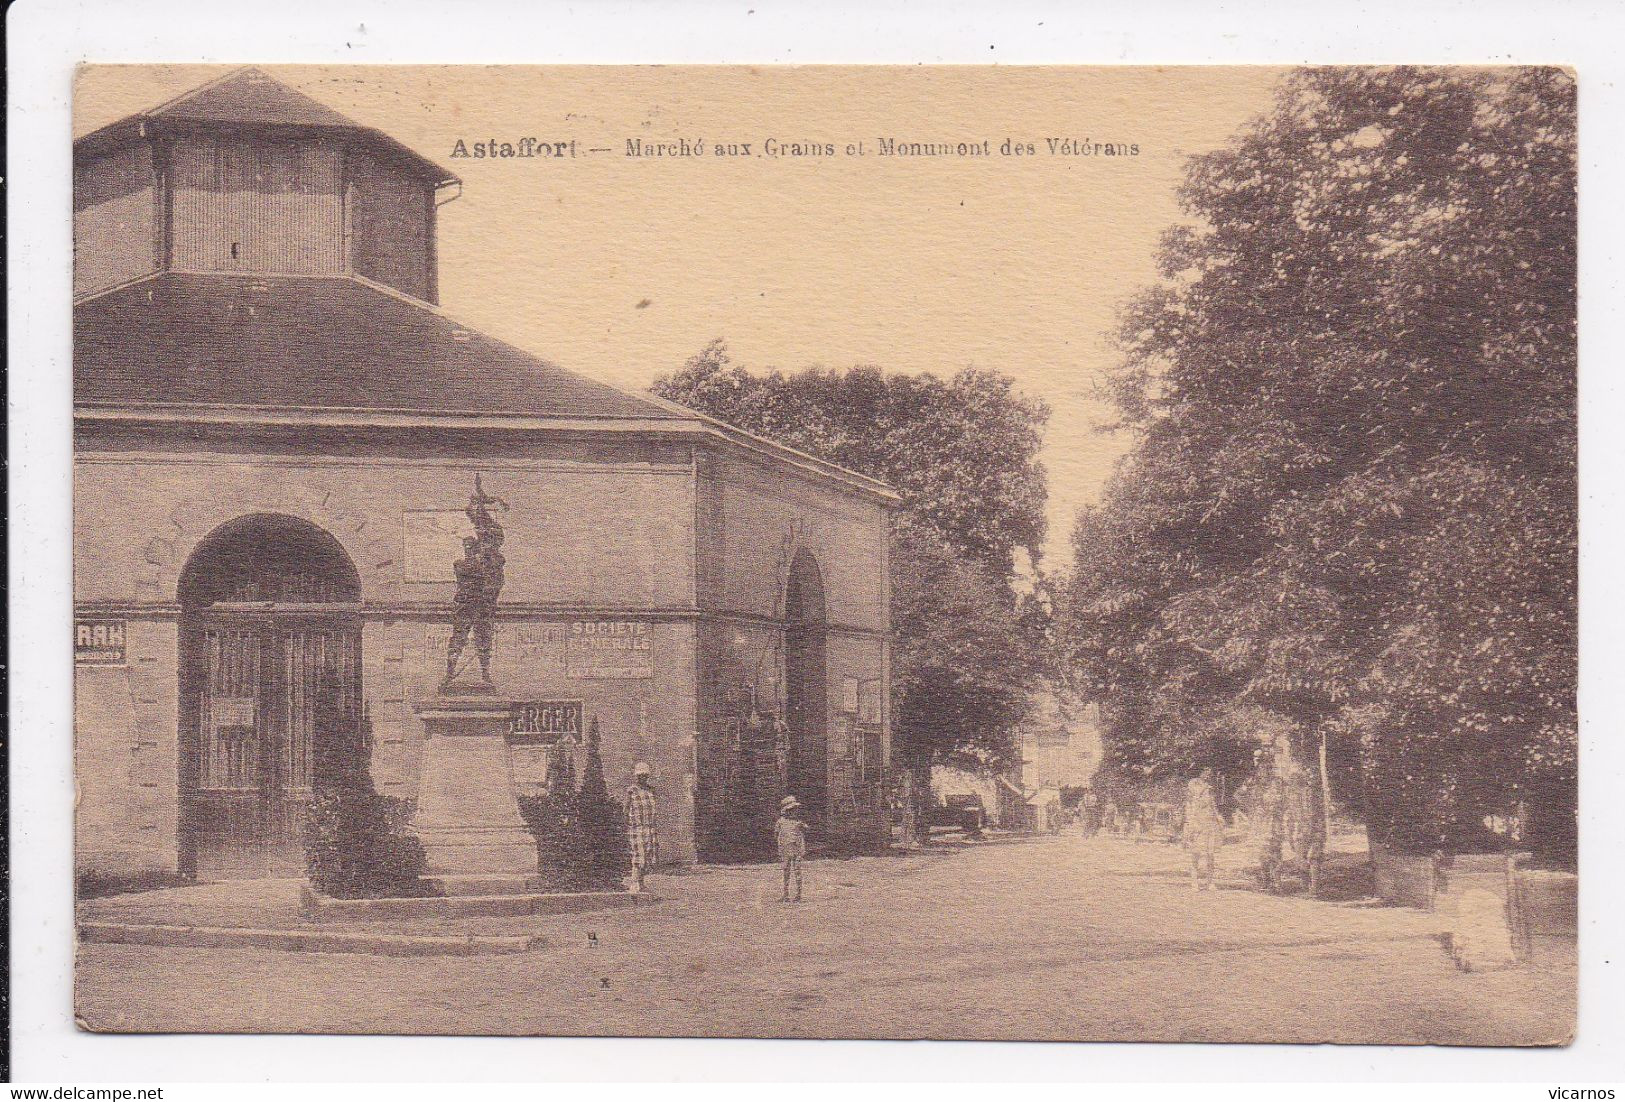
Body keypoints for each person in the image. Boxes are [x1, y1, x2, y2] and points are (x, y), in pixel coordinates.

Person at [1182, 767, 1223, 891]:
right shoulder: (1194, 784)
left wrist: (1218, 817)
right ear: (1200, 772)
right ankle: (1194, 882)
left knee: (1210, 854)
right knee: (1196, 853)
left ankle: (1210, 882)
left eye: (1209, 772)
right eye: (1205, 772)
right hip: (1198, 823)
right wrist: (1191, 823)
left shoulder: (1209, 788)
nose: (1208, 774)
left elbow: (1213, 805)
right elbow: (1192, 803)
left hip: (1210, 824)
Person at [625, 762, 659, 894]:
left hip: (650, 828)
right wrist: (627, 826)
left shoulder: (651, 791)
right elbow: (626, 809)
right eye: (640, 775)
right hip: (637, 828)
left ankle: (641, 883)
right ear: (636, 776)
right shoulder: (631, 791)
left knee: (648, 856)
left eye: (644, 775)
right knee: (638, 856)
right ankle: (634, 884)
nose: (642, 778)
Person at [775, 795, 807, 903]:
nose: (794, 812)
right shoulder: (781, 821)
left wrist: (802, 827)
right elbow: (776, 834)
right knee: (786, 872)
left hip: (797, 849)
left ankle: (798, 894)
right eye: (792, 810)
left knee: (797, 871)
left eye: (795, 810)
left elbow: (806, 829)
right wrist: (780, 845)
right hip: (785, 849)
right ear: (786, 811)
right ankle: (786, 894)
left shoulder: (798, 822)